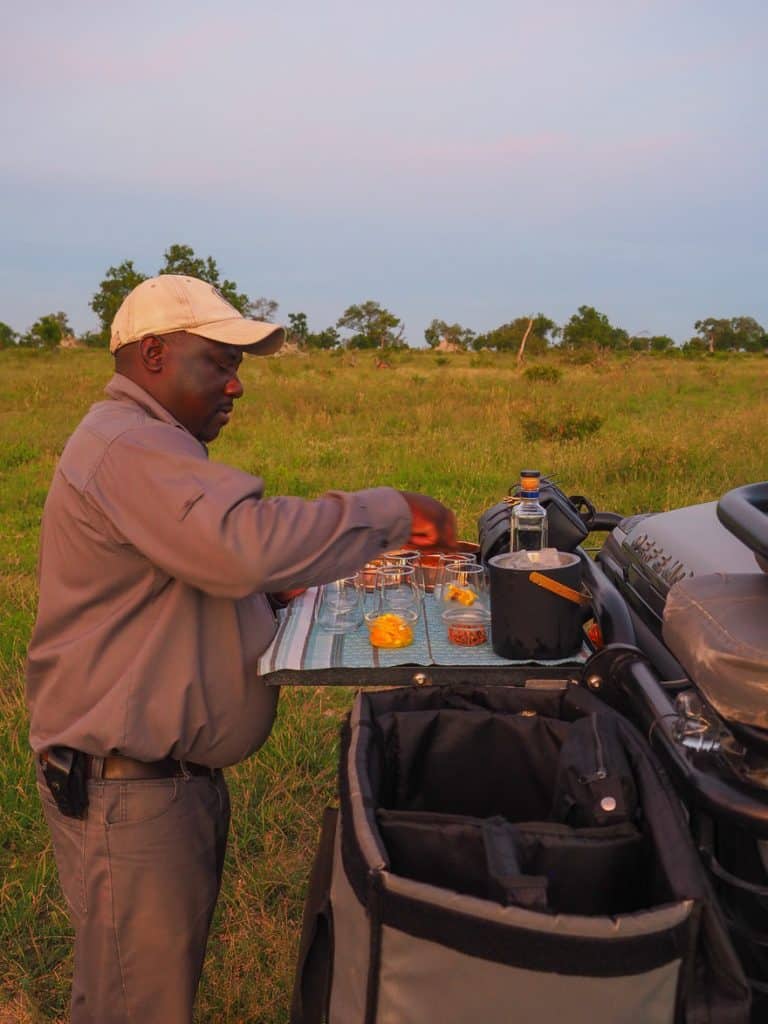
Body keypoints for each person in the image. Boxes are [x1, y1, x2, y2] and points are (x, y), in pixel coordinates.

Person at [25, 274, 456, 1024]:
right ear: (153, 354)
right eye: (218, 362)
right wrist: (394, 512)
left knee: (132, 993)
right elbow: (238, 546)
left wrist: (272, 600)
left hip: (153, 783)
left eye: (239, 366)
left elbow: (184, 579)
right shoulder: (131, 444)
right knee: (136, 1008)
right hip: (129, 789)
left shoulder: (146, 440)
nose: (236, 385)